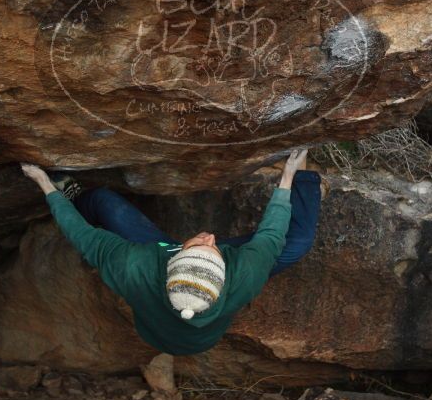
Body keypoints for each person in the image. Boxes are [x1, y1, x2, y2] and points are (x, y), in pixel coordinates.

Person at [21, 149, 321, 356]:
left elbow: (81, 235)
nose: (211, 236)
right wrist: (289, 177)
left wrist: (47, 186)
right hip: (200, 329)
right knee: (299, 241)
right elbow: (272, 233)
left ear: (174, 256)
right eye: (214, 246)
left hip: (153, 327)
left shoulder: (135, 266)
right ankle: (307, 177)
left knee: (102, 202)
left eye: (201, 243)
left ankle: (77, 198)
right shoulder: (247, 273)